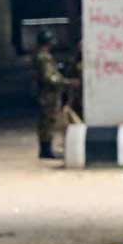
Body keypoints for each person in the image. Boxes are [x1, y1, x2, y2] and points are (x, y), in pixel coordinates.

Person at [34, 30, 77, 159]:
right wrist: (67, 83)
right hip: (48, 94)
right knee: (48, 121)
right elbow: (50, 78)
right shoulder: (44, 57)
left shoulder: (42, 55)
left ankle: (46, 149)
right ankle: (46, 150)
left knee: (47, 121)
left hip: (47, 94)